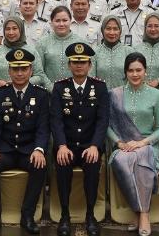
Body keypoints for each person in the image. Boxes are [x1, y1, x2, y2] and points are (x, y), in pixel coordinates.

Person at [0, 47, 51, 236]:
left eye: (23, 69)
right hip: (4, 150)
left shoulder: (41, 95)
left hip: (29, 150)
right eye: (15, 69)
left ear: (30, 70)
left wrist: (39, 149)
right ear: (9, 71)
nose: (19, 73)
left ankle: (28, 215)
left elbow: (43, 128)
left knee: (39, 166)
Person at [50, 43, 110, 236]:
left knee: (92, 168)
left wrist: (95, 146)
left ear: (89, 65)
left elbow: (103, 120)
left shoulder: (99, 87)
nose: (79, 66)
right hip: (66, 144)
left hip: (89, 145)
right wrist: (60, 146)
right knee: (62, 167)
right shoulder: (60, 87)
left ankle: (90, 215)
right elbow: (56, 120)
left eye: (83, 62)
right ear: (69, 65)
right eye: (75, 62)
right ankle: (65, 215)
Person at [109, 53, 159, 236]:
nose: (135, 74)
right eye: (131, 70)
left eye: (138, 70)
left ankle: (143, 214)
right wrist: (118, 142)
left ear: (145, 71)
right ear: (125, 72)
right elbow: (107, 126)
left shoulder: (156, 95)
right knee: (123, 161)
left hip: (149, 144)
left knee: (141, 160)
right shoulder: (115, 94)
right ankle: (139, 210)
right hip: (123, 145)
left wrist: (142, 142)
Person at [0, 17, 51, 89]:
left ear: (21, 30)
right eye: (8, 29)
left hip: (26, 96)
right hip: (0, 95)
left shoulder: (31, 51)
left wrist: (21, 84)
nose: (11, 32)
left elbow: (39, 75)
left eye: (14, 28)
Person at [40, 6, 81, 84]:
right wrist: (52, 88)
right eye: (57, 21)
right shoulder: (42, 43)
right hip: (49, 92)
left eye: (65, 20)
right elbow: (39, 71)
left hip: (75, 92)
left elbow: (86, 70)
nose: (61, 24)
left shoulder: (80, 42)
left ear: (70, 21)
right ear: (51, 22)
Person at [93, 15, 130, 89]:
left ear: (120, 31)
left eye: (115, 29)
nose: (112, 32)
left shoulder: (128, 51)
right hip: (101, 97)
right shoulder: (95, 52)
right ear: (102, 30)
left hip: (124, 97)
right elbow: (91, 78)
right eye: (108, 28)